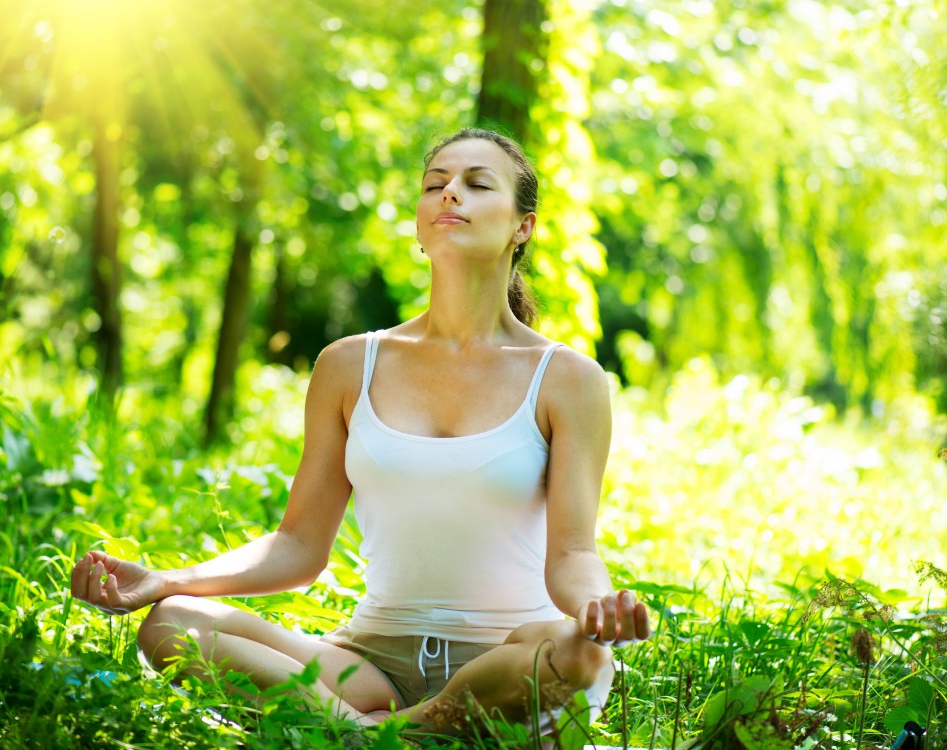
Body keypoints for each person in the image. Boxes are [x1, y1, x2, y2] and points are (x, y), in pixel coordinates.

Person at [70, 128, 650, 732]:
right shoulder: (350, 364)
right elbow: (296, 546)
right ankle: (394, 736)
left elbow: (573, 554)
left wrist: (597, 610)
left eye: (477, 184)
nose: (451, 193)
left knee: (579, 653)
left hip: (504, 659)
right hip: (371, 664)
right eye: (436, 185)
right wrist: (166, 579)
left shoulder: (568, 379)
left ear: (522, 227)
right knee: (172, 623)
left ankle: (357, 735)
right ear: (422, 223)